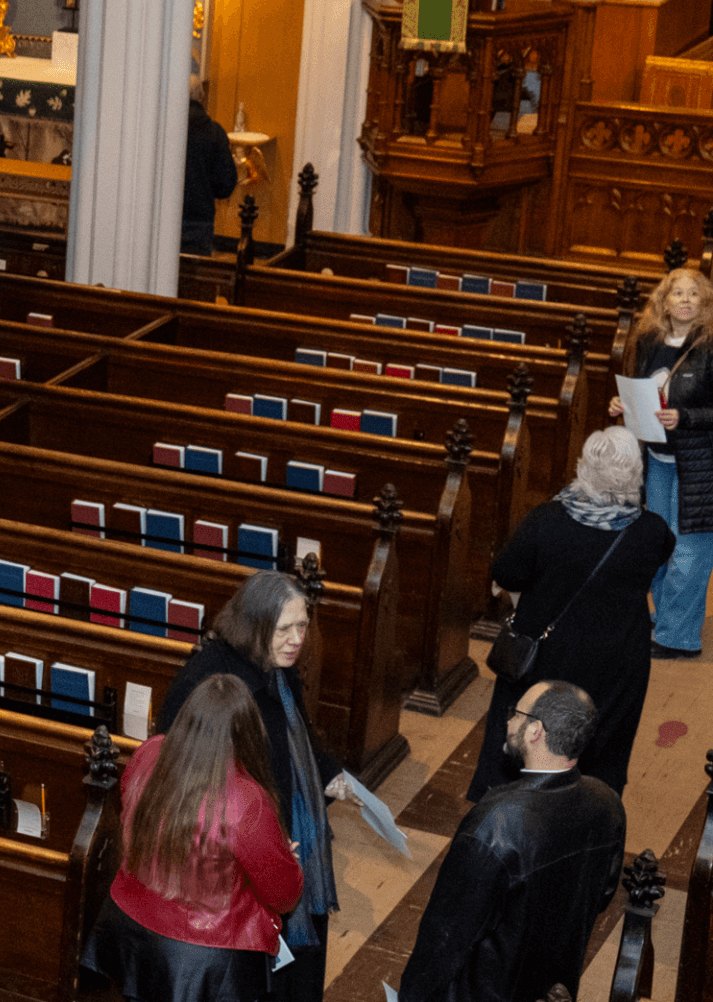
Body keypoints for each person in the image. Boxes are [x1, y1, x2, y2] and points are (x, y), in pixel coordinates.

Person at [157, 571, 351, 1002]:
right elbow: (184, 773)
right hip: (235, 853)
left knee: (300, 958)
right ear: (255, 625)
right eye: (284, 628)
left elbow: (296, 732)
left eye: (302, 626)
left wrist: (328, 770)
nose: (296, 639)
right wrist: (265, 836)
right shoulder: (211, 680)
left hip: (288, 828)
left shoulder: (278, 668)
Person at [469, 426, 672, 798]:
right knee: (603, 741)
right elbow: (657, 560)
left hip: (546, 653)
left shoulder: (546, 521)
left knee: (527, 731)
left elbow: (506, 572)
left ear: (584, 468)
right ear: (635, 474)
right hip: (617, 660)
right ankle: (589, 814)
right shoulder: (652, 531)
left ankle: (506, 807)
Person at [398, 681, 627, 1002]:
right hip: (555, 988)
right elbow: (602, 897)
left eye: (516, 714)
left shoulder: (495, 823)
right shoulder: (608, 802)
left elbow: (446, 939)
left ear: (535, 731)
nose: (507, 722)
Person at [82, 674, 302, 1001]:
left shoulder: (149, 753)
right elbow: (283, 895)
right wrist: (286, 859)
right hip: (208, 953)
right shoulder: (246, 799)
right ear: (247, 733)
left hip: (133, 930)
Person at [609, 266, 713, 657]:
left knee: (691, 547)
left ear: (704, 303)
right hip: (658, 458)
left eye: (694, 294)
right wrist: (624, 405)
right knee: (660, 541)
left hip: (700, 464)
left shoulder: (710, 346)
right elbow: (645, 394)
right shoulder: (651, 341)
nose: (685, 300)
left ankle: (679, 637)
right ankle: (668, 614)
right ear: (663, 302)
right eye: (677, 293)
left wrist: (685, 418)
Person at [181, 84, 239, 256]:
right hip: (199, 220)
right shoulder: (214, 132)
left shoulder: (163, 128)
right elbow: (226, 185)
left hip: (163, 217)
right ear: (202, 97)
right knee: (196, 278)